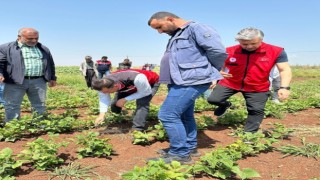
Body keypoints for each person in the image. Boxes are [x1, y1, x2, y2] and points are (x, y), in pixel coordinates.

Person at [147, 11, 227, 164]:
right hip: (180, 80)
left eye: (159, 27)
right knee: (184, 115)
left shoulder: (197, 28)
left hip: (191, 81)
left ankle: (180, 154)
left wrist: (211, 71)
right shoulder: (177, 34)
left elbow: (217, 51)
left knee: (167, 115)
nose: (160, 32)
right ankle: (189, 147)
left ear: (170, 19)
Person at [207, 27, 292, 133]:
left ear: (261, 39)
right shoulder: (229, 51)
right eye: (245, 44)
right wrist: (217, 73)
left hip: (257, 86)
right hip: (231, 82)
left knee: (255, 110)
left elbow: (284, 70)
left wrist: (284, 87)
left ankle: (249, 135)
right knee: (213, 99)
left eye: (253, 43)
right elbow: (218, 66)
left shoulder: (276, 51)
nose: (249, 47)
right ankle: (226, 105)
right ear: (238, 41)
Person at [0, 28, 57, 122]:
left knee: (39, 104)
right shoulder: (5, 48)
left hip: (39, 81)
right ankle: (13, 126)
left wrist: (52, 77)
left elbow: (50, 64)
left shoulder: (43, 48)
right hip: (14, 81)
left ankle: (39, 124)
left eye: (36, 38)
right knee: (12, 105)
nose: (34, 41)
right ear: (19, 37)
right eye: (30, 38)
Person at [92, 69, 159, 131]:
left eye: (107, 91)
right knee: (115, 103)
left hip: (150, 83)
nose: (105, 93)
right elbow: (104, 99)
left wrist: (125, 99)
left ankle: (137, 129)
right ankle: (118, 118)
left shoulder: (137, 78)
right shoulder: (103, 85)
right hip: (129, 85)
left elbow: (145, 92)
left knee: (142, 103)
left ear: (115, 86)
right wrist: (102, 115)